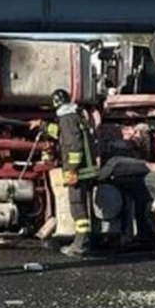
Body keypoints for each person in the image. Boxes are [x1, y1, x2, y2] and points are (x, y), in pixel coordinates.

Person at [31, 89, 100, 256]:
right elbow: (62, 133)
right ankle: (84, 240)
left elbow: (73, 146)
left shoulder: (66, 119)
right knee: (83, 205)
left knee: (77, 206)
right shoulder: (75, 116)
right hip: (87, 168)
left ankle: (80, 244)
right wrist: (43, 126)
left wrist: (71, 170)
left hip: (78, 171)